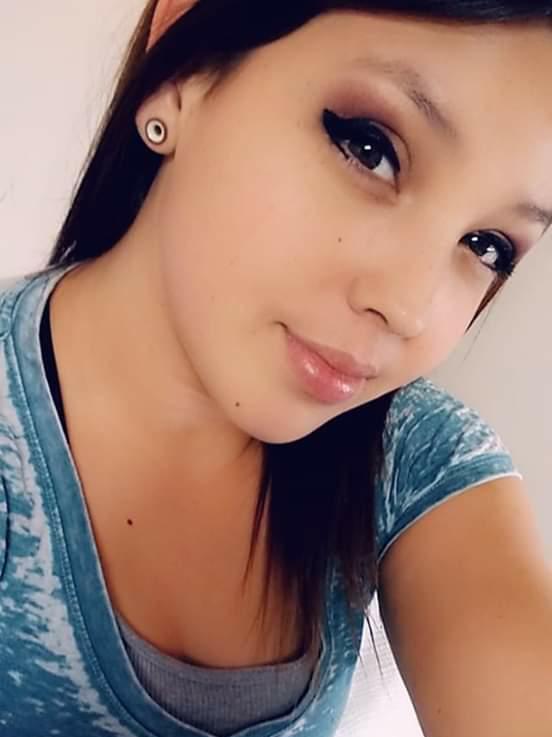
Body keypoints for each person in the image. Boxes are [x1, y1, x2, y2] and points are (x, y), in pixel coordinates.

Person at [0, 0, 551, 735]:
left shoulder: (416, 456)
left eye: (486, 246)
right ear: (186, 70)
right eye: (370, 148)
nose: (409, 308)